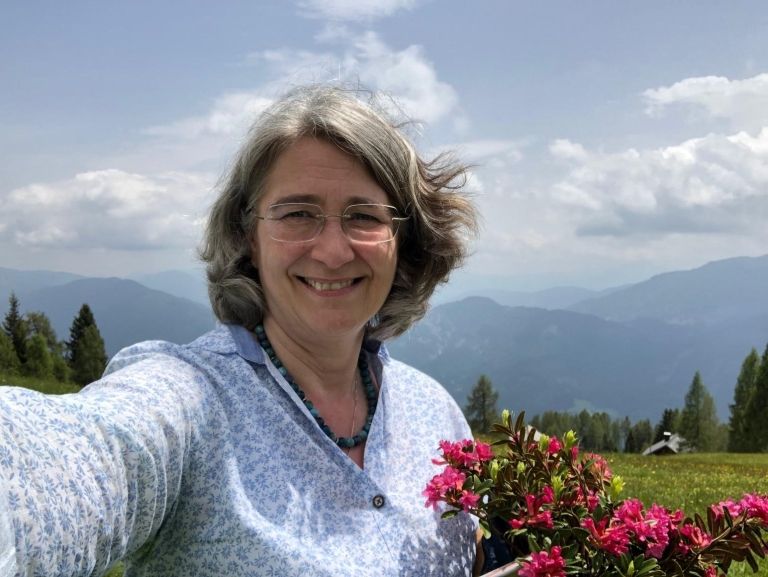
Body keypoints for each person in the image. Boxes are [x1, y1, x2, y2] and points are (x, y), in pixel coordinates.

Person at [0, 85, 480, 576]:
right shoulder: (192, 404)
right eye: (298, 214)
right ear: (249, 236)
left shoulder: (436, 414)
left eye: (363, 216)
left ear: (401, 239)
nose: (334, 252)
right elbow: (72, 461)